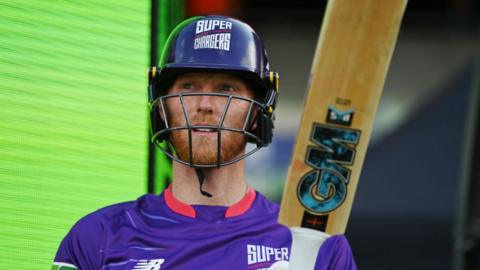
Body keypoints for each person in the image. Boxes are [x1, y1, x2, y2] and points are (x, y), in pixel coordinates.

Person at [52, 15, 357, 270]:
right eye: (189, 86)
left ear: (256, 113)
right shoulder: (97, 237)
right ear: (162, 107)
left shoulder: (316, 247)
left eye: (226, 89)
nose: (206, 105)